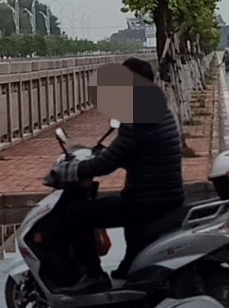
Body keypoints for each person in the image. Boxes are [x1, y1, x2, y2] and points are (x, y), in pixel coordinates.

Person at [49, 57, 185, 294]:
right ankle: (128, 269)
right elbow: (130, 152)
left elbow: (110, 162)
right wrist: (101, 156)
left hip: (149, 199)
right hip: (164, 194)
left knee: (76, 213)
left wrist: (73, 170)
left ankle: (94, 276)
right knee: (125, 216)